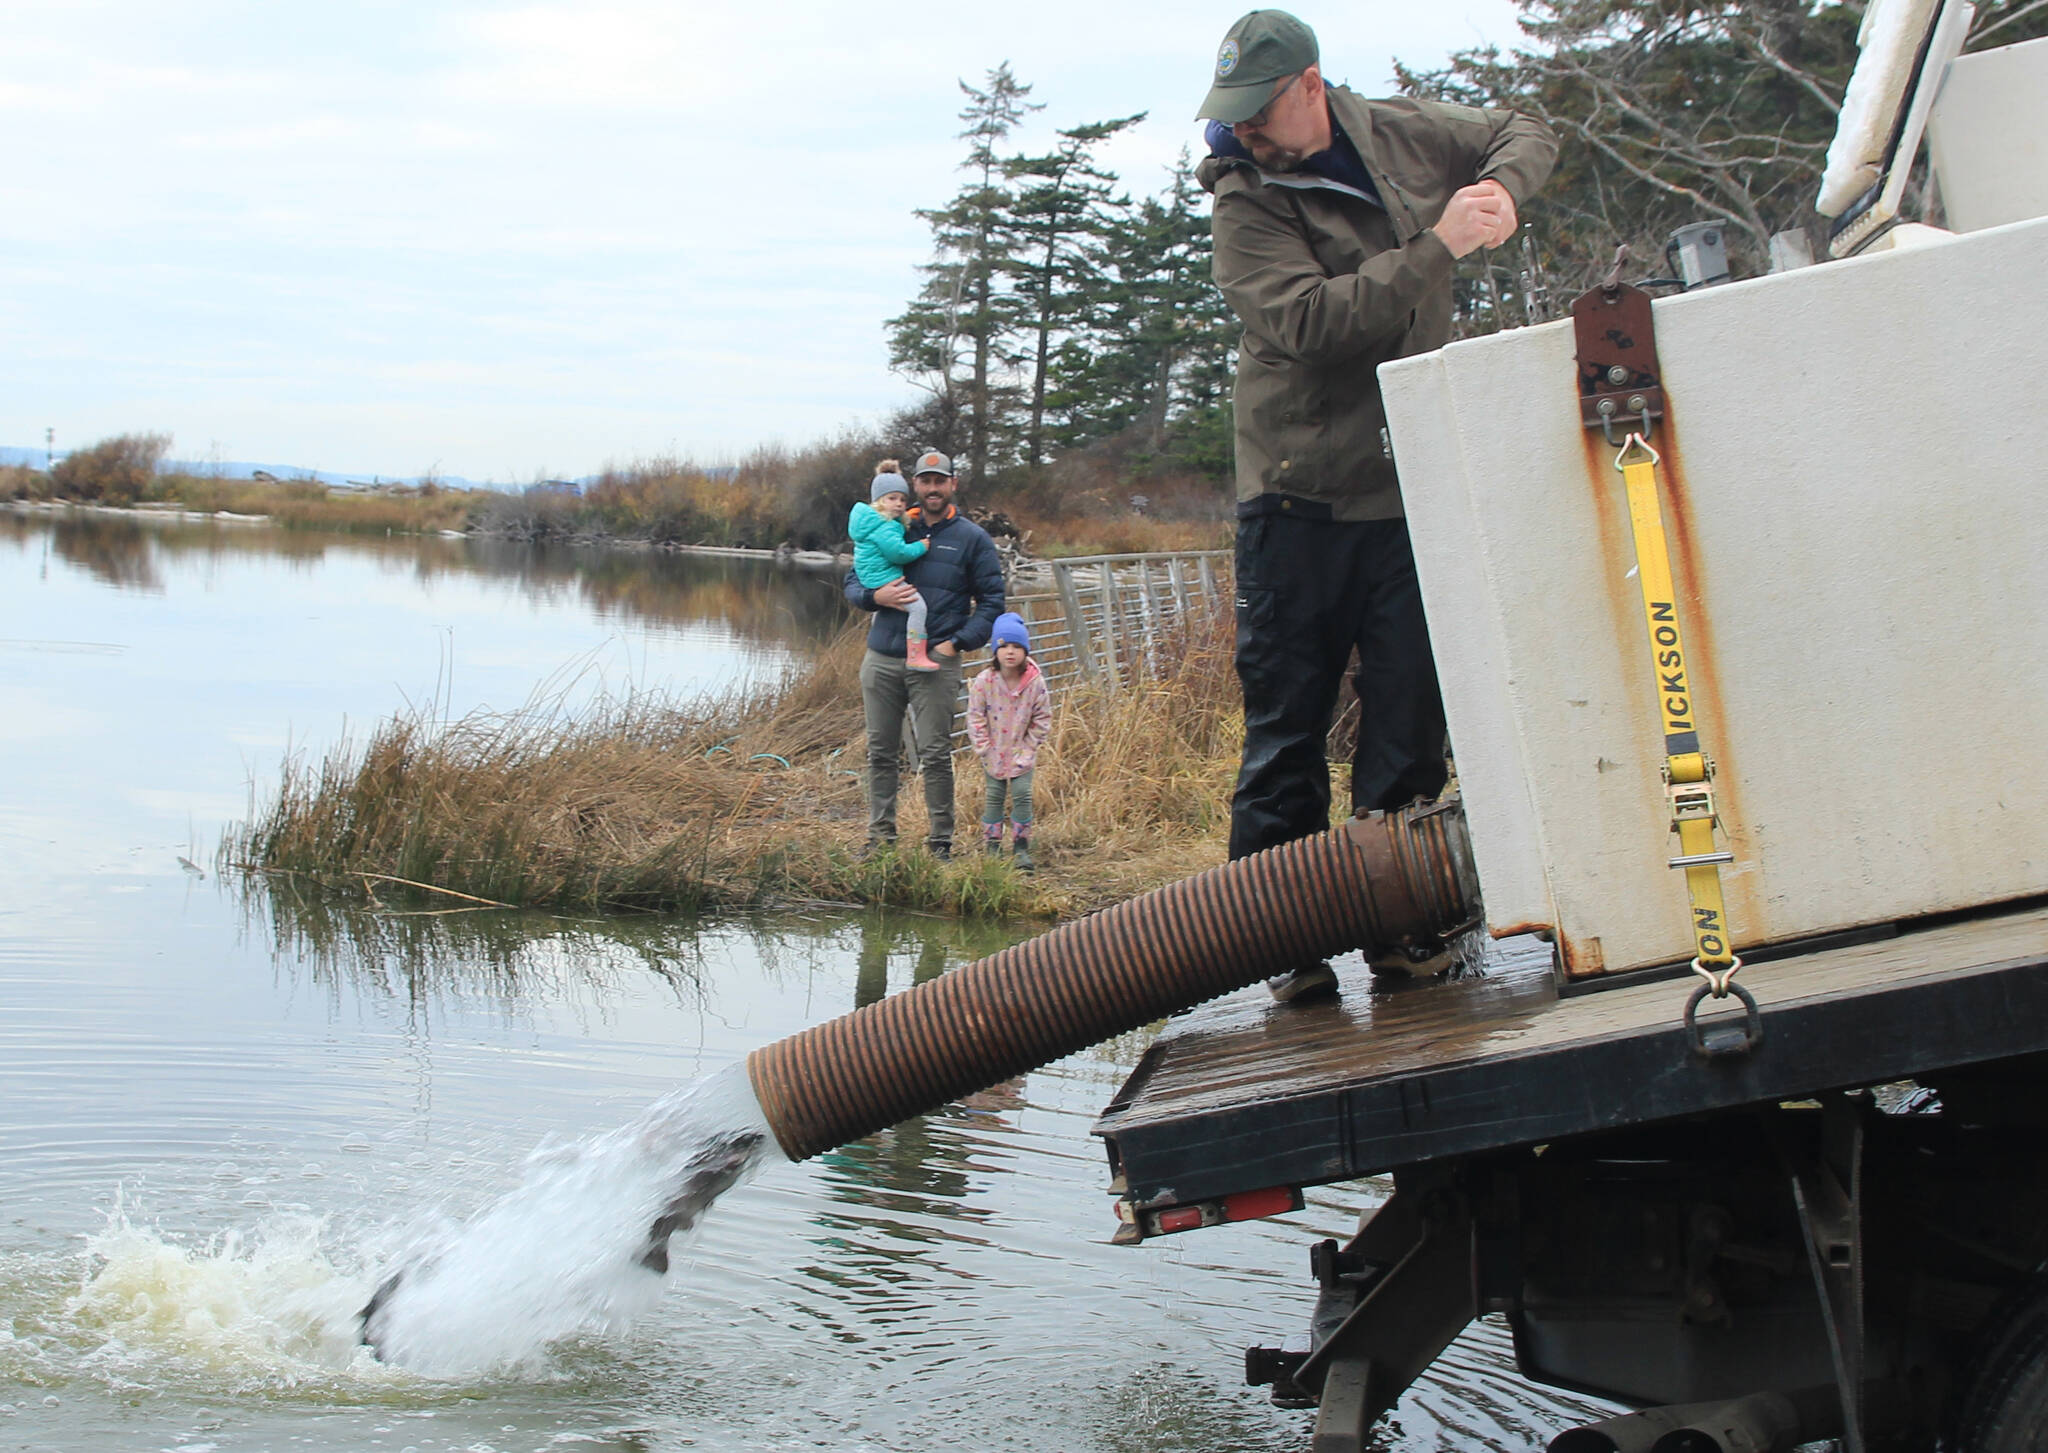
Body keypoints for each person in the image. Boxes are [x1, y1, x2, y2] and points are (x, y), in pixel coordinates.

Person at [1196, 9, 1557, 999]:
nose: (1245, 133)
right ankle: (1280, 945)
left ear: (1307, 86)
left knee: (1406, 733)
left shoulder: (1398, 131)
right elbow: (1314, 323)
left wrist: (1497, 193)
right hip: (1294, 500)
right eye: (1233, 118)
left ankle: (1407, 936)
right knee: (1286, 738)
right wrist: (1441, 244)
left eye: (1257, 113)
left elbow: (1526, 124)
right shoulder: (1242, 202)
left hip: (1410, 489)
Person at [845, 449, 1005, 859]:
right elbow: (852, 582)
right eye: (925, 481)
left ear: (952, 484)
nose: (932, 488)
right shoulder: (892, 524)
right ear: (914, 485)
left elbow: (991, 602)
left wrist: (957, 643)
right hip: (882, 657)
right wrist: (873, 595)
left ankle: (940, 842)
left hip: (936, 661)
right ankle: (880, 839)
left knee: (935, 754)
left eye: (940, 481)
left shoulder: (972, 539)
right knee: (880, 752)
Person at [966, 612, 1052, 872]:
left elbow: (1042, 717)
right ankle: (992, 846)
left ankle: (1021, 847)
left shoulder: (1035, 683)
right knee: (994, 796)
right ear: (995, 650)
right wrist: (983, 746)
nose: (1010, 652)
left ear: (1025, 650)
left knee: (1022, 795)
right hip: (993, 751)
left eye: (1017, 647)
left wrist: (1028, 747)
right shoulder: (985, 681)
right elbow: (975, 715)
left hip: (1021, 751)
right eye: (1004, 646)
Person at [848, 461, 939, 671]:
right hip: (884, 577)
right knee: (918, 608)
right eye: (892, 498)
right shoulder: (885, 526)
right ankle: (916, 653)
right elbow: (898, 553)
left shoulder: (870, 523)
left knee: (880, 610)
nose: (899, 504)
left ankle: (874, 640)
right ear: (879, 501)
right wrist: (920, 546)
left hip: (869, 577)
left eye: (902, 499)